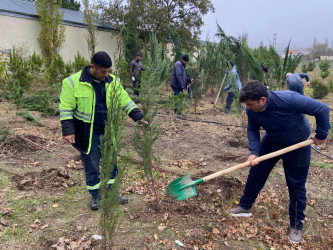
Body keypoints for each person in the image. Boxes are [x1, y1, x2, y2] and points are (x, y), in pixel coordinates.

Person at [228, 80, 330, 244]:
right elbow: (253, 129)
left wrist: (322, 134)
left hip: (298, 144)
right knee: (256, 172)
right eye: (246, 104)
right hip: (273, 140)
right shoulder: (251, 110)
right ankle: (245, 206)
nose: (247, 108)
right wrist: (254, 152)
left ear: (263, 100)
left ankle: (296, 225)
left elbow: (322, 109)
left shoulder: (289, 99)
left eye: (250, 104)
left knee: (296, 185)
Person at [59, 51, 147, 210]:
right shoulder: (72, 82)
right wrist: (68, 130)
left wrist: (137, 116)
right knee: (91, 164)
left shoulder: (112, 81)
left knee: (111, 163)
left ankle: (112, 193)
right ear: (92, 67)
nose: (107, 75)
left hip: (108, 131)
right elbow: (66, 108)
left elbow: (124, 100)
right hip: (87, 133)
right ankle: (96, 195)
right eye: (103, 71)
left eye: (108, 71)